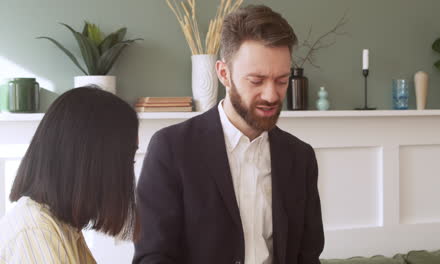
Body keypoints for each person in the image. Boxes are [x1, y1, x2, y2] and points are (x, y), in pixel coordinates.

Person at [134, 5, 324, 264]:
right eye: (256, 81)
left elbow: (308, 255)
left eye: (281, 81)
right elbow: (152, 257)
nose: (271, 95)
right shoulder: (171, 149)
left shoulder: (300, 157)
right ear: (224, 74)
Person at [0, 87, 139, 264]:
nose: (128, 174)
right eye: (127, 160)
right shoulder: (36, 232)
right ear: (94, 164)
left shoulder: (62, 228)